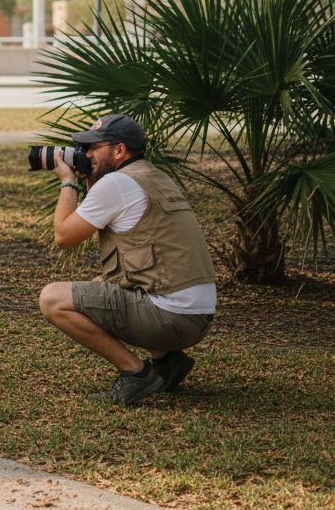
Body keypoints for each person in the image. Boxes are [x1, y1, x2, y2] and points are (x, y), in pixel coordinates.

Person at [38, 113, 216, 406]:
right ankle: (168, 363)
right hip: (197, 315)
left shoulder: (118, 184)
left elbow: (63, 236)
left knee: (52, 299)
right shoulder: (154, 176)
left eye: (94, 147)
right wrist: (91, 177)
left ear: (119, 151)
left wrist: (68, 181)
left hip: (171, 318)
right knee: (100, 285)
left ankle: (136, 372)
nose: (87, 154)